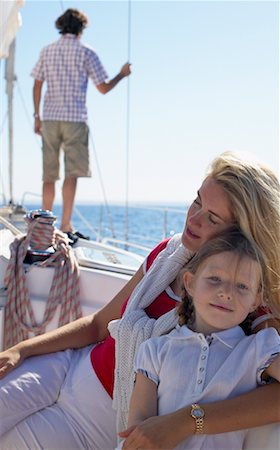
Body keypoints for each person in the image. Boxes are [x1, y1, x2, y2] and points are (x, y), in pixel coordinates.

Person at [0, 151, 279, 449]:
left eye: (211, 217)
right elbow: (98, 325)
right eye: (197, 201)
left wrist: (188, 421)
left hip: (96, 418)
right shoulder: (168, 254)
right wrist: (21, 351)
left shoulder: (243, 302)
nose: (194, 219)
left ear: (240, 234)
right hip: (67, 366)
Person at [120, 228, 280, 450]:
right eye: (215, 279)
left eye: (242, 286)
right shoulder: (154, 350)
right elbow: (139, 431)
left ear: (256, 300)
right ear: (190, 283)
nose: (226, 292)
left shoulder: (260, 347)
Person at [31, 8, 131, 240]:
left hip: (50, 118)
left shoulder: (47, 51)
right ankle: (65, 224)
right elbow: (103, 88)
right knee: (72, 174)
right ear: (81, 29)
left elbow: (37, 84)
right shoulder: (86, 52)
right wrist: (122, 74)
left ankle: (44, 224)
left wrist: (37, 116)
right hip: (75, 118)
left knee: (49, 175)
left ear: (61, 26)